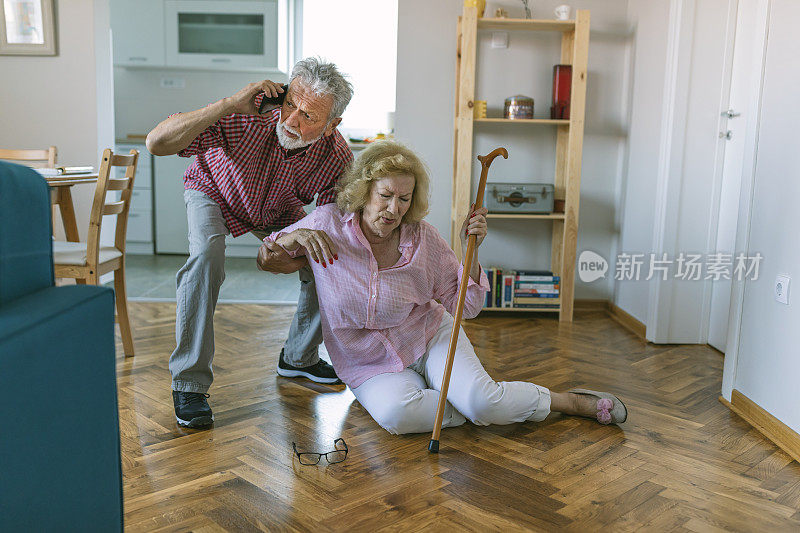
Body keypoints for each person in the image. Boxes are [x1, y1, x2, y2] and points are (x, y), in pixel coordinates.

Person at [257, 141, 627, 435]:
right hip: (366, 360)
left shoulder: (423, 240)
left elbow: (467, 307)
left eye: (404, 199)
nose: (393, 208)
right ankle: (474, 403)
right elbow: (267, 257)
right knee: (398, 417)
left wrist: (474, 249)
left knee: (484, 403)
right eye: (385, 195)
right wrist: (293, 235)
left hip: (428, 335)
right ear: (364, 189)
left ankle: (567, 401)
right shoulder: (326, 225)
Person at [146, 57, 354, 428]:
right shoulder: (246, 114)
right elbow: (156, 143)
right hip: (214, 190)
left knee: (329, 259)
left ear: (332, 125)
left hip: (275, 208)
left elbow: (327, 228)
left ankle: (299, 357)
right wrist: (228, 103)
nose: (292, 120)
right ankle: (189, 382)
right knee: (206, 257)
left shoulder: (337, 156)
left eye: (309, 116)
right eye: (292, 104)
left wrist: (290, 255)